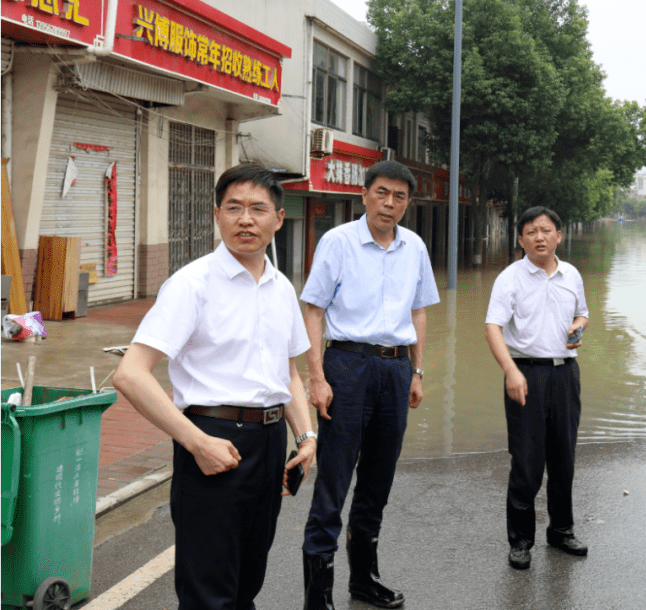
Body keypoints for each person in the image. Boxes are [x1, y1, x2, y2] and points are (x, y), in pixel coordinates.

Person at [113, 163, 316, 610]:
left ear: (278, 219)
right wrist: (196, 442)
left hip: (268, 445)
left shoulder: (281, 288)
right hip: (211, 440)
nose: (246, 219)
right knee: (209, 591)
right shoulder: (192, 284)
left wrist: (305, 435)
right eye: (235, 208)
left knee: (247, 581)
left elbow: (290, 373)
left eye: (259, 209)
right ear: (216, 215)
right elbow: (130, 374)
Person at [298, 159, 438, 610]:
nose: (389, 203)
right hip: (347, 366)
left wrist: (417, 370)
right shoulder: (337, 243)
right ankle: (318, 597)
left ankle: (364, 580)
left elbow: (419, 310)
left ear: (408, 204)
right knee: (334, 480)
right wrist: (315, 376)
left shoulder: (414, 247)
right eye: (382, 193)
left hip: (395, 371)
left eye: (399, 197)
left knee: (378, 479)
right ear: (364, 195)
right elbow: (314, 310)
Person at [485, 206, 590, 571]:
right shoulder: (510, 278)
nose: (539, 237)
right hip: (525, 374)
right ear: (521, 239)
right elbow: (492, 328)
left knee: (564, 457)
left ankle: (561, 531)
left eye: (546, 230)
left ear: (559, 235)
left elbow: (583, 312)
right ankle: (521, 540)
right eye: (531, 231)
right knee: (527, 461)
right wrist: (511, 371)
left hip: (565, 374)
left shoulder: (571, 274)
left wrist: (579, 325)